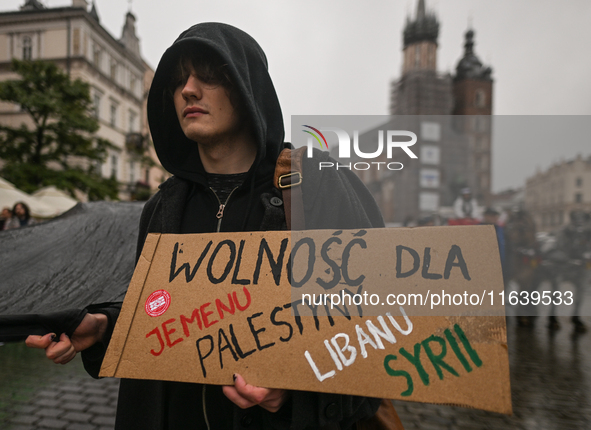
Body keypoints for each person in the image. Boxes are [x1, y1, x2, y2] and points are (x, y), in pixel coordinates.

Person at [26, 23, 384, 429]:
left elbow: (378, 330)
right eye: (177, 80)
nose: (188, 90)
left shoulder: (318, 186)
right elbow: (159, 309)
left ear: (249, 85)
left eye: (209, 75)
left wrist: (295, 391)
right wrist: (106, 326)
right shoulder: (162, 207)